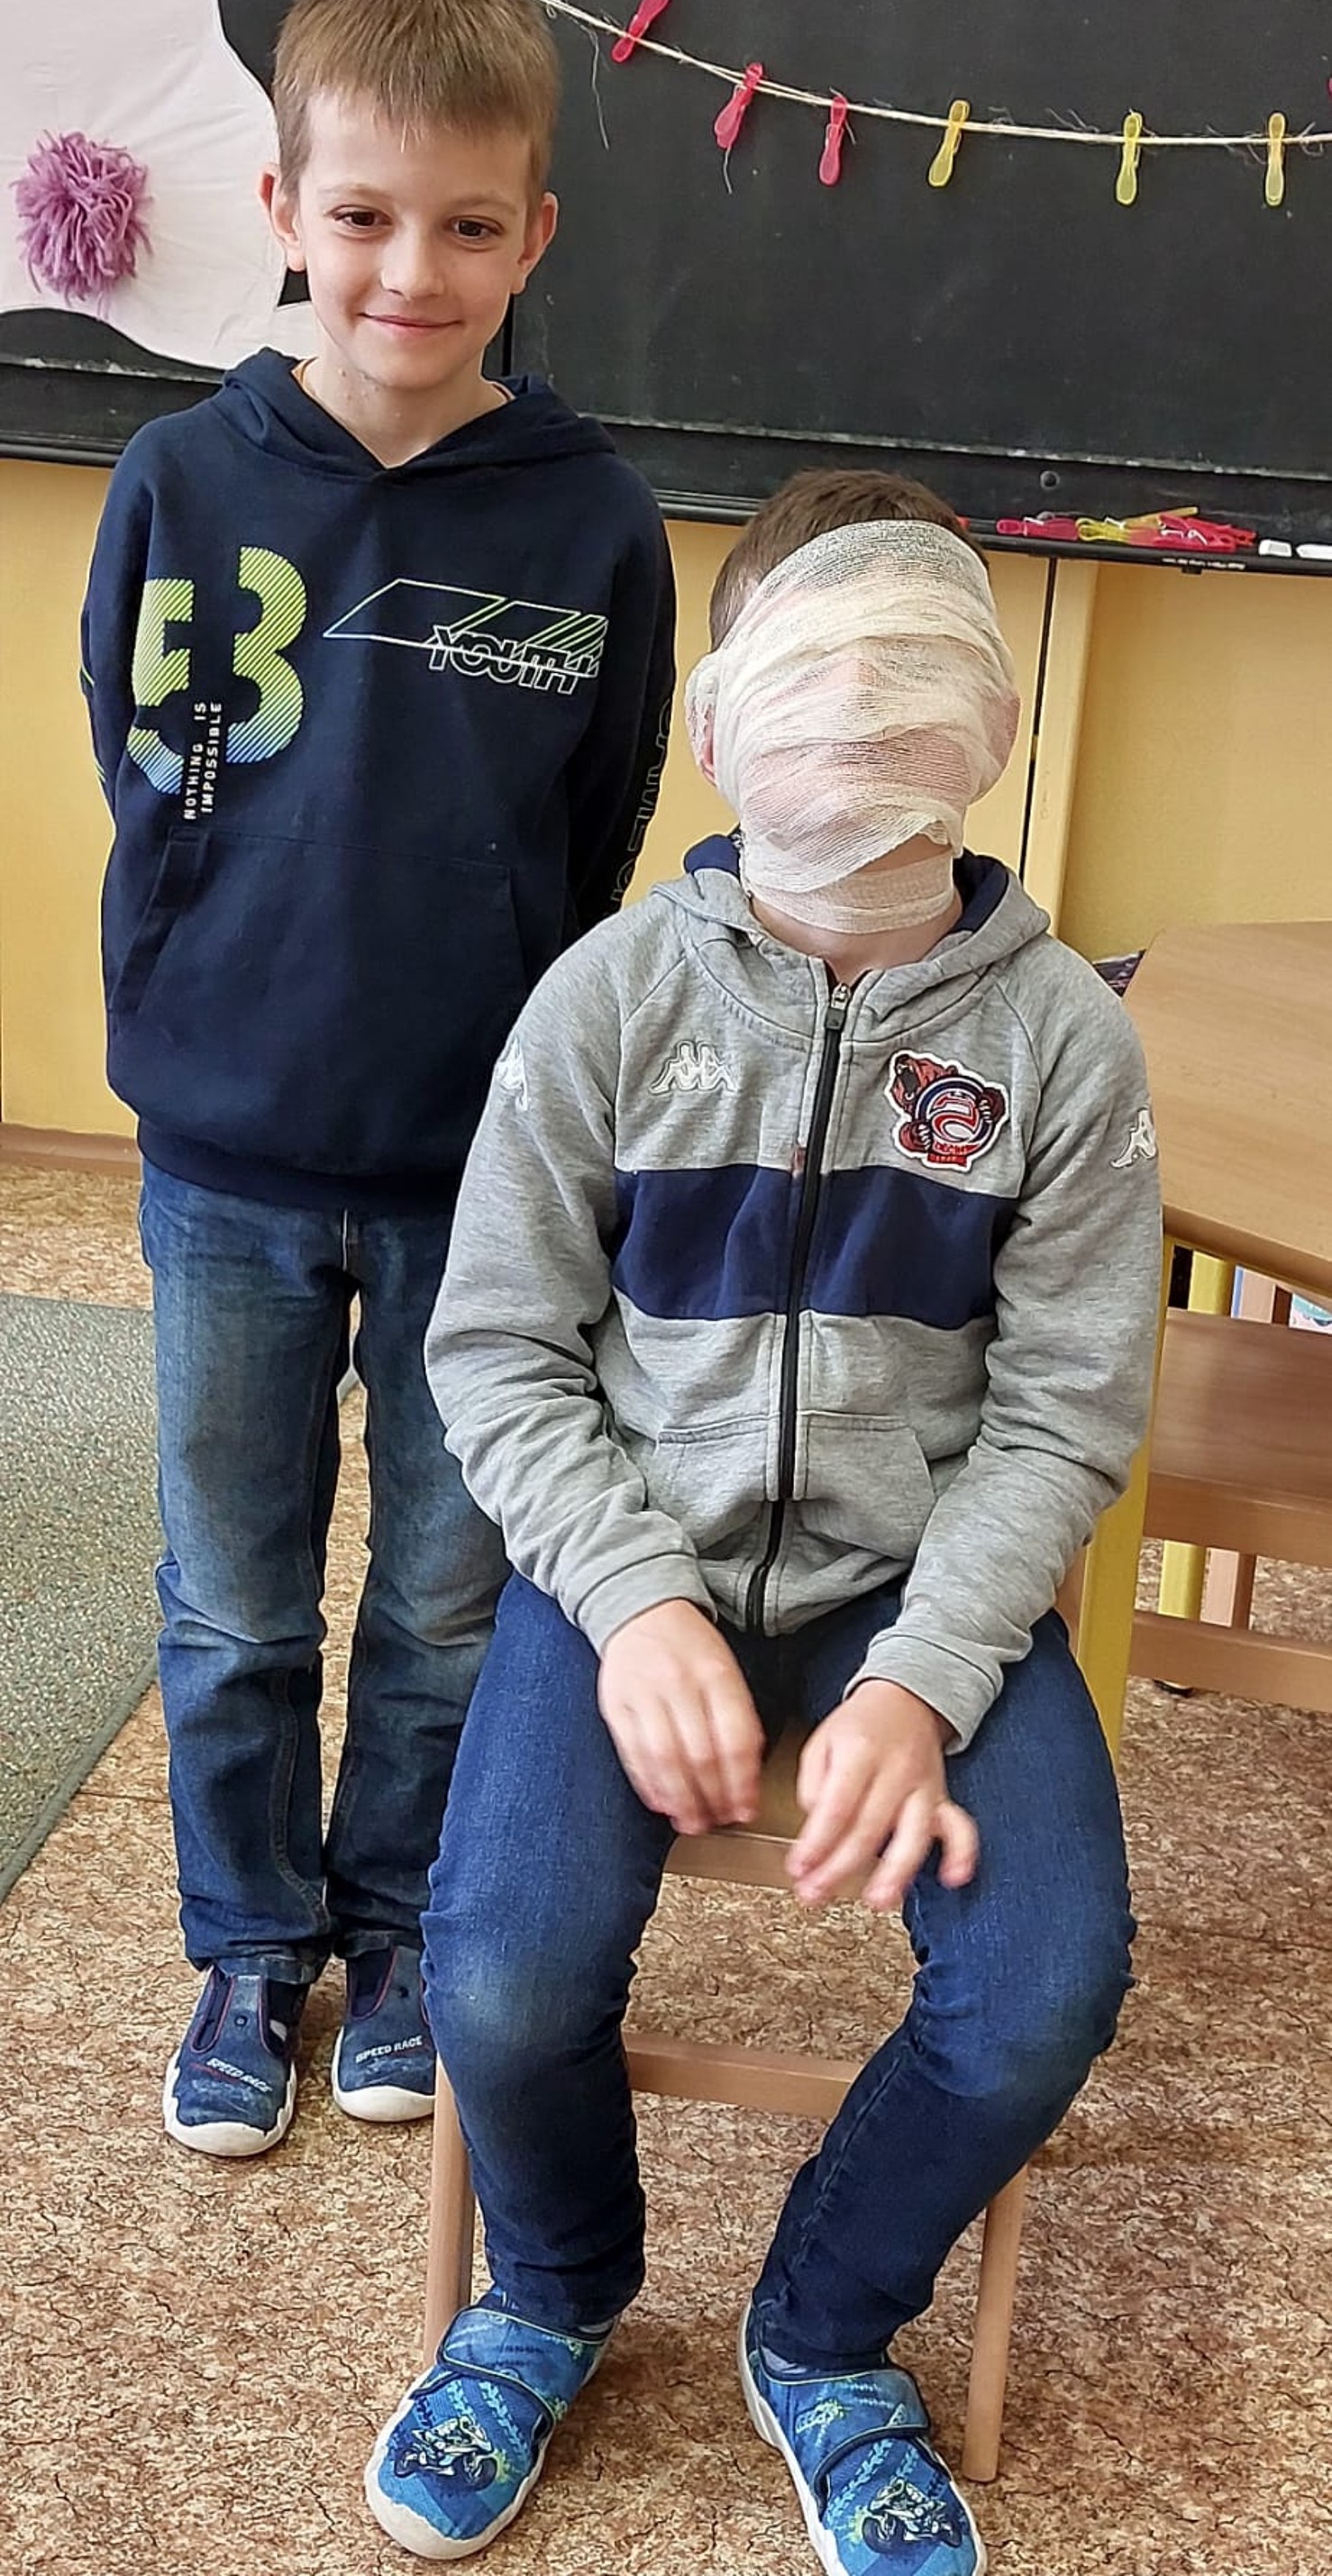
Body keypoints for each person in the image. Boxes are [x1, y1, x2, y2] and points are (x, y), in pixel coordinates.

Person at [364, 468, 1163, 2573]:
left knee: (1045, 1982)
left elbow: (1068, 1406)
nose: (865, 727)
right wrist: (632, 1600)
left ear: (991, 721)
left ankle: (820, 2326)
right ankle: (549, 2290)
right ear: (720, 721)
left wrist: (925, 1672)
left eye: (914, 679)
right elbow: (498, 1350)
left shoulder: (1058, 1039)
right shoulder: (611, 998)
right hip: (635, 1562)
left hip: (925, 1582)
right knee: (501, 1973)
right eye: (822, 677)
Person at [79, 0, 676, 2160]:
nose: (408, 270)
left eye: (464, 224)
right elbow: (146, 764)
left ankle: (403, 1920)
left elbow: (601, 821)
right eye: (360, 215)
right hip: (225, 1155)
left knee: (444, 1590)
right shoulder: (176, 474)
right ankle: (251, 1942)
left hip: (482, 1176)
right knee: (232, 1594)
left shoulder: (591, 521)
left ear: (535, 236)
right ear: (281, 208)